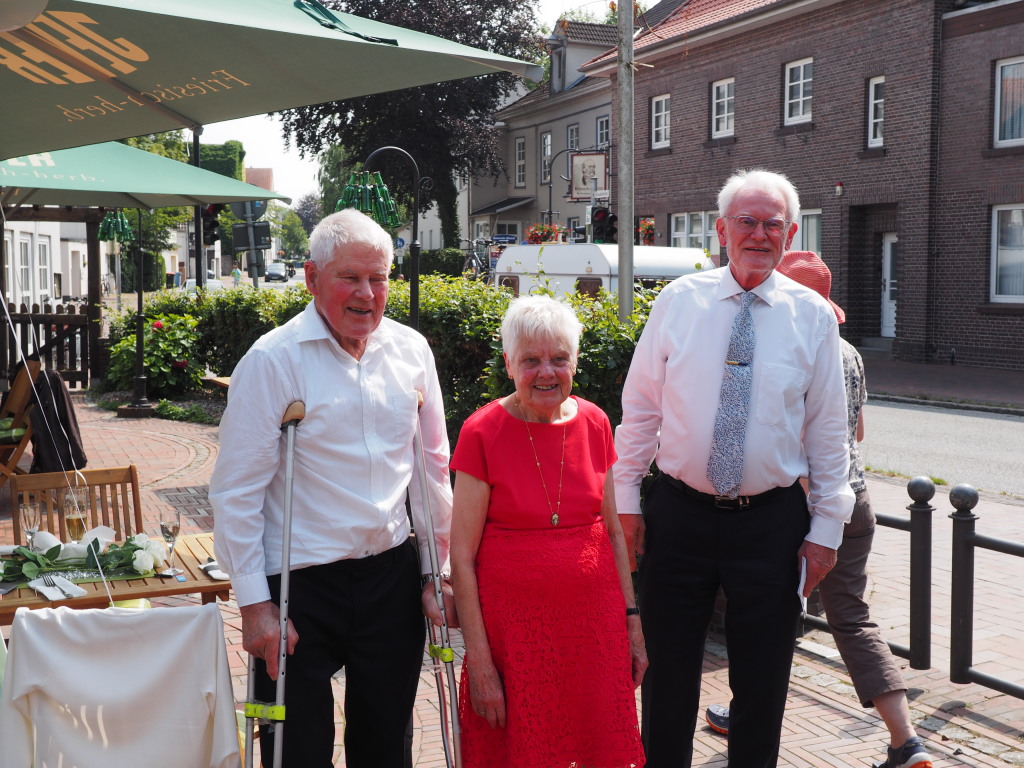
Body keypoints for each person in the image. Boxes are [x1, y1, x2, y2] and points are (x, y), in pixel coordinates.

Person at [614, 168, 855, 768]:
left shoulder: (812, 317)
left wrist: (827, 530)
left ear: (790, 235)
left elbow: (829, 432)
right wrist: (625, 500)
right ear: (721, 231)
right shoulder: (679, 301)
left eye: (773, 224)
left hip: (771, 524)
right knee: (667, 676)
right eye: (746, 221)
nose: (759, 234)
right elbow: (641, 409)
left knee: (763, 681)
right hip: (678, 516)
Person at [210, 208, 454, 768]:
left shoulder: (411, 352)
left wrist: (435, 572)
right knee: (295, 749)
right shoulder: (272, 361)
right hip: (300, 581)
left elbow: (431, 470)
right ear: (312, 277)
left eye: (379, 278)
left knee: (386, 745)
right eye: (351, 278)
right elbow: (236, 491)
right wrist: (254, 605)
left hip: (389, 577)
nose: (367, 294)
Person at [705, 252, 934, 768]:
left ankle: (747, 717)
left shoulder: (791, 345)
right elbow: (857, 432)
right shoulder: (849, 351)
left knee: (764, 616)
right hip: (856, 501)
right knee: (852, 618)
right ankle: (906, 740)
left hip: (799, 504)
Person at [451, 295, 647, 768]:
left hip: (594, 636)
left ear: (574, 362)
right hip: (515, 644)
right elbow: (461, 558)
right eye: (530, 360)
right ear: (508, 364)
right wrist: (480, 661)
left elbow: (613, 534)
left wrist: (632, 624)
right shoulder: (482, 432)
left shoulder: (596, 422)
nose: (546, 373)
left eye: (559, 359)